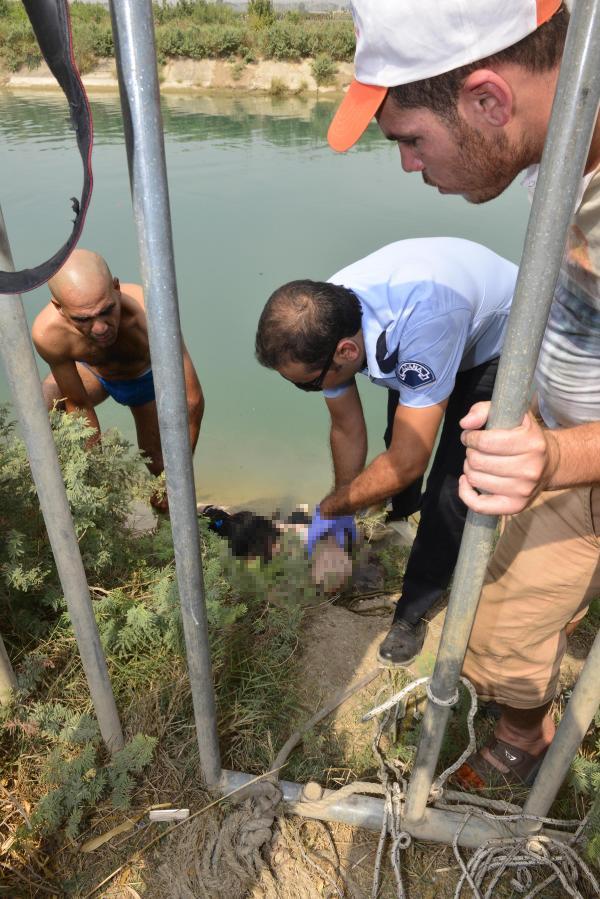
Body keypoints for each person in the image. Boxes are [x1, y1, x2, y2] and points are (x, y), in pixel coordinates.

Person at [326, 0, 600, 788]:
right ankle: (527, 728)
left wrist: (557, 453)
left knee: (495, 625)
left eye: (410, 139)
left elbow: (406, 453)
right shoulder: (555, 132)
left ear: (488, 99)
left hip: (573, 451)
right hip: (560, 430)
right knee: (493, 630)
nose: (409, 165)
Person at [256, 237, 517, 664]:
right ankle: (399, 518)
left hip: (493, 348)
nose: (306, 390)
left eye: (306, 383)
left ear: (346, 351)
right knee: (392, 445)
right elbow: (345, 425)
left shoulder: (424, 324)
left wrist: (328, 510)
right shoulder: (324, 318)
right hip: (422, 339)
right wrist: (343, 514)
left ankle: (412, 611)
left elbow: (407, 459)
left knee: (453, 487)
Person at [32, 249, 204, 509]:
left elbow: (191, 400)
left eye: (107, 310)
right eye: (83, 319)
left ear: (116, 288)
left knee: (160, 470)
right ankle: (67, 491)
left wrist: (174, 477)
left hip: (143, 382)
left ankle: (168, 525)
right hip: (93, 373)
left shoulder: (150, 315)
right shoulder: (48, 334)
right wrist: (94, 475)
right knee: (43, 404)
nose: (100, 328)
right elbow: (78, 405)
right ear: (59, 308)